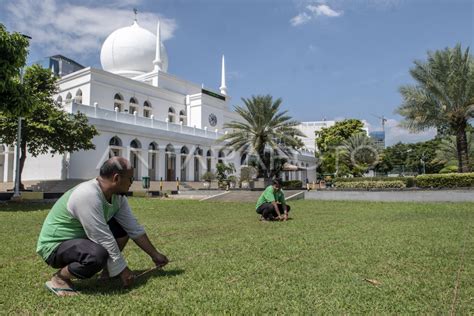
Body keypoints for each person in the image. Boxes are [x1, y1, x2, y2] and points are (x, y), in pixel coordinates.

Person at [36, 157, 169, 296]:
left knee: (121, 227)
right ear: (116, 178)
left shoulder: (118, 197)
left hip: (81, 241)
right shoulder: (87, 194)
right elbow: (102, 237)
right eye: (130, 179)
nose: (132, 183)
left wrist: (155, 255)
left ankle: (108, 272)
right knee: (96, 255)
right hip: (54, 247)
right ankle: (60, 278)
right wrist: (123, 269)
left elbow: (133, 228)